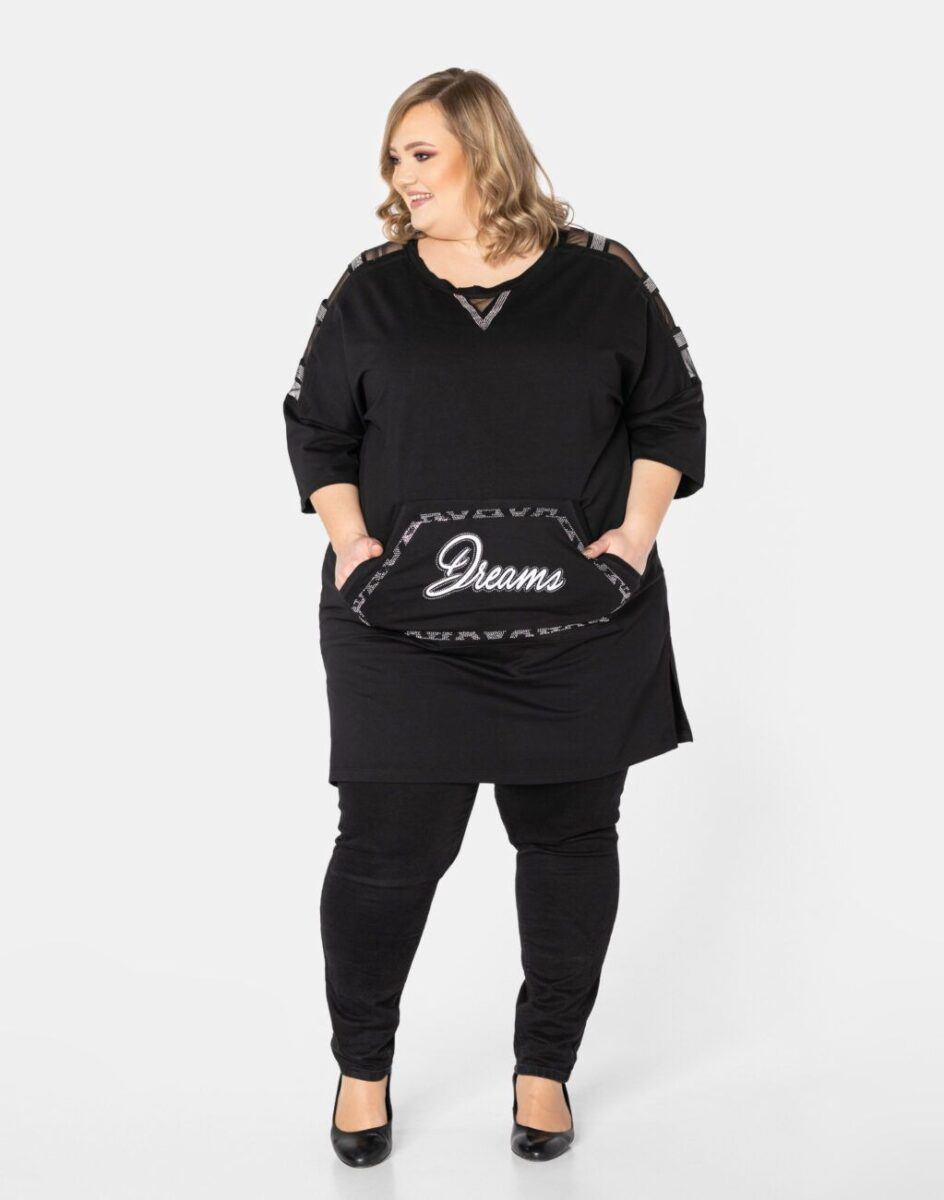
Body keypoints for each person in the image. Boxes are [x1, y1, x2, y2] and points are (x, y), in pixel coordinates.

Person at [282, 67, 707, 1168]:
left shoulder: (603, 278)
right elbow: (316, 429)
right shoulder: (371, 289)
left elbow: (668, 411)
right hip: (402, 631)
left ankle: (543, 1068)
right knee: (387, 851)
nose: (400, 176)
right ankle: (362, 1067)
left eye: (420, 153)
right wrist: (351, 545)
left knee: (568, 843)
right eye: (393, 158)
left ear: (484, 148)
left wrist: (635, 537)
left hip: (576, 629)